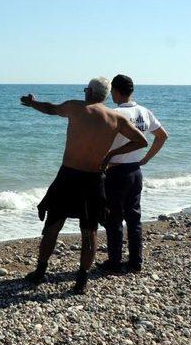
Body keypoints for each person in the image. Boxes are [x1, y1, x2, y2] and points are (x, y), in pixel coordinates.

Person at [20, 77, 148, 294]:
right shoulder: (115, 118)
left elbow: (50, 109)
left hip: (68, 177)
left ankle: (40, 272)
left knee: (53, 226)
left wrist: (33, 102)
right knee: (89, 232)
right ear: (105, 95)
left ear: (88, 92)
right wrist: (111, 155)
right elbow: (142, 141)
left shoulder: (75, 107)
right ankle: (81, 281)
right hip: (94, 179)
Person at [98, 75, 169, 274]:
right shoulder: (144, 112)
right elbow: (162, 136)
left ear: (116, 91)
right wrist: (146, 159)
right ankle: (136, 261)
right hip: (135, 171)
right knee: (134, 218)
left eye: (112, 91)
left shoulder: (114, 113)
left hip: (116, 171)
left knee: (114, 218)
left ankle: (114, 262)